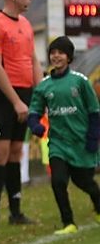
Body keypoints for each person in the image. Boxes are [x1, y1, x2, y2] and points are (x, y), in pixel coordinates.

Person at [0, 0, 41, 227]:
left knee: (17, 151)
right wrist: (16, 101)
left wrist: (39, 93)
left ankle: (15, 211)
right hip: (5, 97)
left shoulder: (26, 24)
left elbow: (34, 60)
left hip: (26, 94)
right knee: (1, 151)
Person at [27, 36, 100, 234]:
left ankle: (98, 205)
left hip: (81, 142)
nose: (56, 56)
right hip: (58, 142)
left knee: (85, 182)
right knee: (58, 180)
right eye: (53, 52)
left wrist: (93, 138)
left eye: (60, 52)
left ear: (69, 57)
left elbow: (94, 111)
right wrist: (35, 125)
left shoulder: (80, 81)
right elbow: (34, 110)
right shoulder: (44, 85)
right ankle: (68, 223)